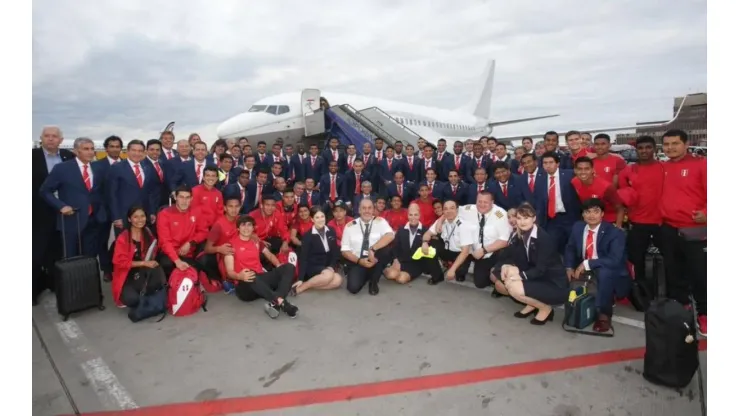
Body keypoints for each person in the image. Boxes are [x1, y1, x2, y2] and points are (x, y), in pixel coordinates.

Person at [658, 129, 707, 336]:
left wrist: (707, 213)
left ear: (686, 144)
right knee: (673, 271)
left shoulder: (702, 165)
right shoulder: (663, 167)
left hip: (695, 230)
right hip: (669, 228)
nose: (670, 148)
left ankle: (705, 313)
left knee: (700, 273)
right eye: (666, 144)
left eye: (675, 143)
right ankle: (682, 307)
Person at [491, 203, 569, 325]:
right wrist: (505, 267)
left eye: (526, 218)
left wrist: (519, 276)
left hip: (553, 283)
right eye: (519, 218)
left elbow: (540, 269)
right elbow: (509, 256)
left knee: (514, 288)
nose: (522, 222)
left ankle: (545, 308)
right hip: (536, 276)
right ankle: (532, 304)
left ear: (534, 218)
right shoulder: (519, 234)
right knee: (503, 278)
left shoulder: (544, 239)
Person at [564, 198, 629, 333]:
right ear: (582, 215)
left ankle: (604, 314)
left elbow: (614, 260)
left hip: (608, 268)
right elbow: (570, 248)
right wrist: (569, 267)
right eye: (587, 212)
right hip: (585, 266)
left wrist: (588, 263)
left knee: (604, 273)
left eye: (596, 211)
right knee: (560, 273)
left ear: (602, 214)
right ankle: (574, 307)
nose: (591, 215)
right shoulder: (578, 227)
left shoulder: (614, 233)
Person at [39, 137, 108, 261]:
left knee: (90, 258)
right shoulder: (62, 168)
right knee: (71, 259)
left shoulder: (98, 168)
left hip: (94, 220)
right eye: (86, 149)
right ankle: (72, 281)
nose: (90, 152)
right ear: (76, 151)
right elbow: (45, 191)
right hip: (72, 220)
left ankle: (87, 280)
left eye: (92, 149)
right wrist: (61, 206)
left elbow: (101, 192)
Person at [223, 216, 299, 319]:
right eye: (243, 225)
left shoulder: (256, 242)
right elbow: (229, 272)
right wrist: (239, 276)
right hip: (245, 286)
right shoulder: (230, 245)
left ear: (253, 228)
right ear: (238, 228)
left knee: (289, 267)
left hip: (261, 280)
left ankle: (275, 302)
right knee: (250, 273)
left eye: (249, 225)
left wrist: (278, 266)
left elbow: (271, 256)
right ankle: (283, 303)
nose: (246, 228)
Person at [33, 126, 75, 304]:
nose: (50, 139)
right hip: (39, 211)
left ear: (61, 139)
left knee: (58, 251)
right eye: (47, 136)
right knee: (36, 251)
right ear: (41, 138)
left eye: (54, 136)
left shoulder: (68, 157)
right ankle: (33, 289)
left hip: (64, 211)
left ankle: (54, 283)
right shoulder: (31, 157)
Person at [617, 136, 664, 285]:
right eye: (641, 148)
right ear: (636, 150)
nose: (644, 151)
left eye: (648, 147)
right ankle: (640, 292)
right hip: (637, 222)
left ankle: (670, 295)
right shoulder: (627, 171)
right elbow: (623, 197)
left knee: (669, 259)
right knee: (636, 260)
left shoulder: (664, 168)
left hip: (662, 222)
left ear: (655, 149)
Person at [111, 206, 166, 308]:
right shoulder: (123, 237)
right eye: (135, 217)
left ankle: (147, 292)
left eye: (142, 216)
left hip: (141, 273)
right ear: (129, 219)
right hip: (126, 275)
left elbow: (155, 249)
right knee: (132, 300)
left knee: (157, 268)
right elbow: (119, 262)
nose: (140, 220)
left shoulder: (147, 232)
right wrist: (144, 263)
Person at [458, 191, 512, 289]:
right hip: (472, 249)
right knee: (458, 272)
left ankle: (495, 272)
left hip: (491, 252)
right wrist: (440, 221)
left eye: (485, 202)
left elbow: (505, 240)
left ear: (492, 202)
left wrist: (484, 250)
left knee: (480, 283)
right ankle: (464, 269)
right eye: (479, 201)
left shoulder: (500, 215)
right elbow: (451, 210)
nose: (482, 205)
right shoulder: (469, 209)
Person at [341, 199, 395, 295]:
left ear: (373, 210)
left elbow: (390, 235)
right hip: (358, 261)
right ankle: (368, 274)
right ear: (359, 210)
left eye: (370, 208)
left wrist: (372, 249)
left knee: (385, 250)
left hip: (374, 258)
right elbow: (344, 251)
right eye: (364, 208)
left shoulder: (380, 222)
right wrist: (359, 261)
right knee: (353, 288)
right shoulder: (350, 226)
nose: (367, 211)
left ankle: (373, 282)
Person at [155, 185, 209, 277]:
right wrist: (177, 261)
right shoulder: (164, 214)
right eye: (181, 197)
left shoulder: (197, 211)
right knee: (167, 264)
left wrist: (190, 242)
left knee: (200, 266)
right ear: (175, 197)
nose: (184, 201)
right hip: (169, 254)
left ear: (191, 198)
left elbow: (204, 232)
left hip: (189, 253)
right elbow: (165, 242)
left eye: (187, 197)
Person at [385, 204, 444, 285]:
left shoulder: (426, 231)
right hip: (401, 261)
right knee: (391, 275)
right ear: (407, 215)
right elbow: (395, 247)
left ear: (419, 215)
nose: (413, 217)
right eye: (410, 215)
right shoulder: (401, 229)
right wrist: (395, 260)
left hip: (416, 264)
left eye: (416, 214)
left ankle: (401, 273)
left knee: (401, 279)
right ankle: (387, 269)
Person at [292, 206, 343, 295]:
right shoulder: (307, 236)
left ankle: (310, 285)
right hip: (312, 267)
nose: (320, 220)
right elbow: (303, 258)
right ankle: (302, 287)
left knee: (338, 280)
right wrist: (300, 278)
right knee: (329, 276)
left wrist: (331, 266)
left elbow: (335, 251)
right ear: (312, 219)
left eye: (322, 216)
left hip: (326, 266)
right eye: (317, 217)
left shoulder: (331, 231)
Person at [196, 196, 242, 294]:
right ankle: (221, 279)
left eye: (236, 206)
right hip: (221, 255)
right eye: (230, 206)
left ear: (240, 207)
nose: (234, 209)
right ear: (225, 208)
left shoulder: (241, 220)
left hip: (237, 251)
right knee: (204, 260)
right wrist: (219, 249)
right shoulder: (219, 225)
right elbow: (207, 248)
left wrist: (255, 236)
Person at [423, 200, 471, 284]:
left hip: (460, 253)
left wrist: (452, 269)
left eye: (452, 208)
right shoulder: (441, 221)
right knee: (432, 245)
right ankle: (437, 276)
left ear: (457, 210)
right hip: (447, 250)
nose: (448, 211)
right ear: (443, 211)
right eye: (445, 209)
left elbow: (465, 252)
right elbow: (427, 233)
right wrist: (424, 242)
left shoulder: (463, 225)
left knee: (459, 275)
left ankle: (457, 269)